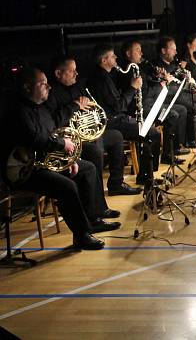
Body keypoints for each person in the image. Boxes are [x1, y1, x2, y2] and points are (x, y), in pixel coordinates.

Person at [4, 68, 121, 250]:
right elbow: (35, 139)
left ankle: (93, 219)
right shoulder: (18, 112)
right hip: (26, 171)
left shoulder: (42, 110)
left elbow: (51, 135)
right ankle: (81, 235)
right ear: (27, 87)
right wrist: (62, 145)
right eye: (43, 83)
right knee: (67, 186)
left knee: (88, 168)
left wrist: (70, 159)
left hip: (43, 163)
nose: (48, 86)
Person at [45, 55, 139, 197]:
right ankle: (96, 199)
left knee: (116, 137)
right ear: (58, 73)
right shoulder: (51, 94)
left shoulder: (77, 87)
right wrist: (75, 106)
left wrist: (88, 105)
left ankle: (116, 184)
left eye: (76, 70)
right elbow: (54, 122)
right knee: (96, 149)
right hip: (69, 140)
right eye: (72, 71)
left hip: (85, 135)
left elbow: (93, 109)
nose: (76, 74)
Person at [88, 43, 161, 186]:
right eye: (112, 56)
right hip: (112, 122)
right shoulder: (101, 79)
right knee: (152, 134)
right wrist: (133, 88)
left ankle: (146, 175)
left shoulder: (104, 76)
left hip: (115, 118)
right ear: (104, 61)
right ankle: (145, 177)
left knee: (150, 132)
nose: (116, 58)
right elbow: (119, 106)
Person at [118, 39, 187, 166]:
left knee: (178, 111)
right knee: (172, 115)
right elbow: (144, 94)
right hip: (139, 108)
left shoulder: (138, 68)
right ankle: (166, 154)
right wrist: (162, 84)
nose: (141, 53)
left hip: (149, 103)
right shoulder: (127, 71)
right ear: (128, 53)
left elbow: (147, 85)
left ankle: (171, 150)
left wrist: (158, 78)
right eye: (138, 50)